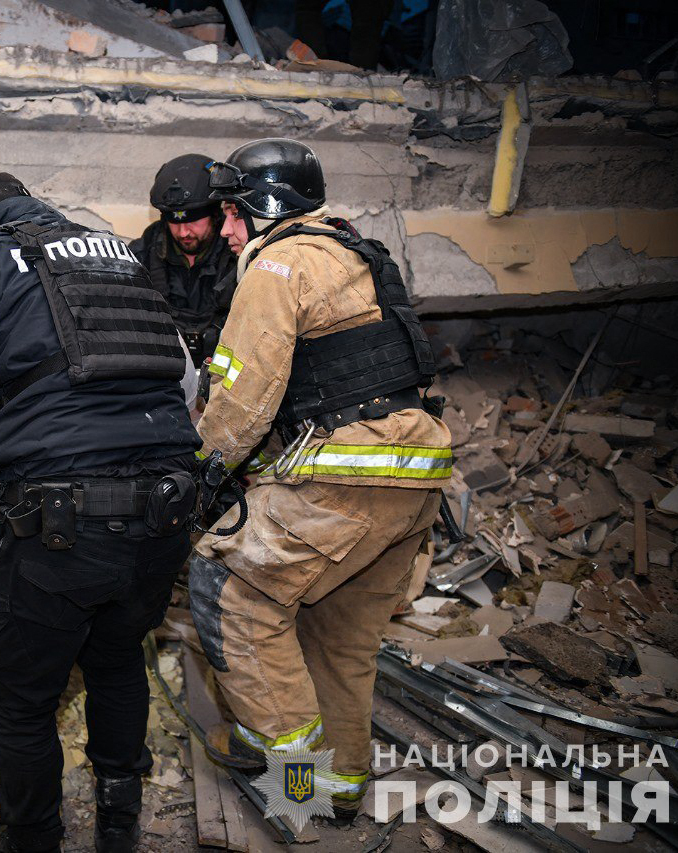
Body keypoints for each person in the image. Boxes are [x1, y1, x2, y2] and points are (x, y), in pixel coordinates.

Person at [0, 173, 202, 853]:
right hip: (165, 510)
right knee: (117, 659)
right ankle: (118, 821)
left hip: (59, 522)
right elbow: (185, 379)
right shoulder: (121, 253)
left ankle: (32, 839)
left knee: (18, 698)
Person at [189, 138, 452, 825]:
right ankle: (338, 789)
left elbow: (245, 393)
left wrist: (200, 472)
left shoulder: (278, 261)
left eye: (231, 212)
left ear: (262, 206)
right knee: (337, 635)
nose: (224, 229)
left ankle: (296, 792)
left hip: (351, 472)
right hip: (415, 476)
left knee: (230, 594)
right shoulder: (357, 252)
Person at [130, 153, 237, 364]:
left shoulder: (238, 253)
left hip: (226, 370)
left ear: (215, 215)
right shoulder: (140, 256)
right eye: (174, 222)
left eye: (194, 222)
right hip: (165, 370)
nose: (183, 232)